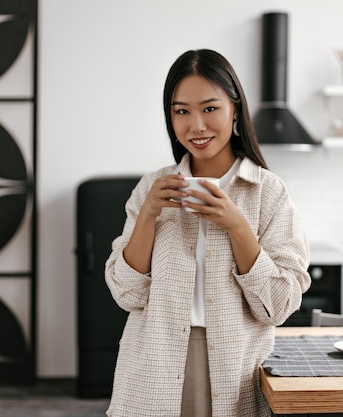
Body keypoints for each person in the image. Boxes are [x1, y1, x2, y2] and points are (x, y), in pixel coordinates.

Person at [104, 49, 311, 417]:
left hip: (238, 368)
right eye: (181, 111)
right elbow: (127, 293)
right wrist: (148, 214)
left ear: (235, 110)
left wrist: (236, 226)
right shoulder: (152, 187)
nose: (196, 125)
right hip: (153, 365)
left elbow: (279, 305)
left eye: (209, 108)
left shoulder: (269, 192)